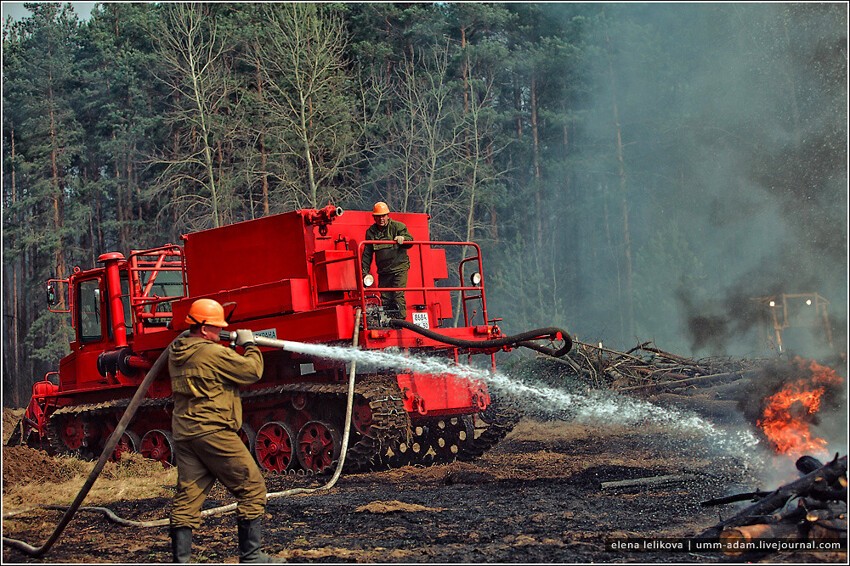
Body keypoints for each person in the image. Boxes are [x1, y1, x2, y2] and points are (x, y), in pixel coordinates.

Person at [168, 298, 283, 563]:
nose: (220, 331)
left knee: (188, 497)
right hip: (213, 431)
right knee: (252, 488)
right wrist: (250, 345)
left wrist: (229, 347)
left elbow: (212, 372)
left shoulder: (177, 350)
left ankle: (181, 561)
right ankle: (252, 557)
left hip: (186, 433)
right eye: (217, 328)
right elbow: (250, 371)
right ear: (204, 327)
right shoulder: (211, 352)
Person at [361, 201, 414, 319]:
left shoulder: (398, 227)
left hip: (399, 268)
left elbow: (410, 240)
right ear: (374, 217)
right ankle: (388, 322)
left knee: (397, 295)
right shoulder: (371, 232)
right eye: (378, 216)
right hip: (384, 271)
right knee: (385, 298)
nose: (381, 219)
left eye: (383, 215)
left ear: (388, 215)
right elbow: (367, 254)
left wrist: (403, 239)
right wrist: (364, 272)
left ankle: (401, 321)